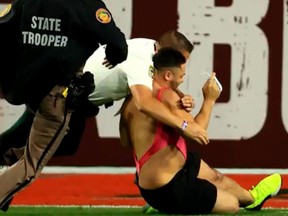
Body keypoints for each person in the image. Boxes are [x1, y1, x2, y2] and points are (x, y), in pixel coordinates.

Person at [0, 30, 208, 166]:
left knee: (55, 141)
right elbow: (144, 102)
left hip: (75, 97)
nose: (182, 67)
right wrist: (183, 124)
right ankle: (13, 162)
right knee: (30, 138)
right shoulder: (139, 59)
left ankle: (13, 159)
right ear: (167, 52)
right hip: (62, 93)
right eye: (181, 61)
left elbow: (159, 83)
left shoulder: (153, 50)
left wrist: (181, 97)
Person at [119, 48, 282, 214]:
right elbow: (198, 132)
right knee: (231, 205)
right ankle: (168, 206)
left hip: (158, 177)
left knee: (215, 177)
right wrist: (209, 99)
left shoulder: (135, 97)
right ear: (168, 76)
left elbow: (125, 140)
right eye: (181, 76)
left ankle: (254, 199)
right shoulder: (167, 96)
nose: (182, 80)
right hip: (168, 188)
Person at [0, 0, 128, 211]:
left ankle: (8, 156)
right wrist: (112, 57)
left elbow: (4, 28)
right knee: (31, 167)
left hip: (29, 89)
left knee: (64, 143)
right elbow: (119, 46)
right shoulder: (86, 5)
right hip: (56, 95)